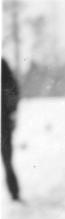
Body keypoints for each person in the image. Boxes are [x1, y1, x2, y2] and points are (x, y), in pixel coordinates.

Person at [1, 58, 21, 202]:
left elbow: (12, 89)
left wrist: (11, 112)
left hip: (3, 123)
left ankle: (15, 195)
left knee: (7, 161)